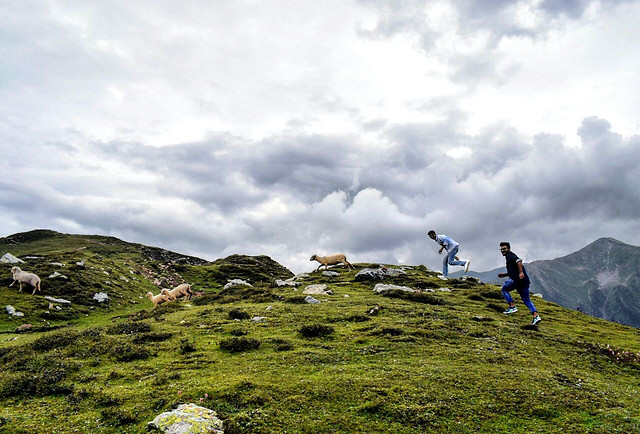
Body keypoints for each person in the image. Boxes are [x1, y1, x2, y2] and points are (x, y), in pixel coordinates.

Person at [497, 242, 542, 326]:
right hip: (524, 281)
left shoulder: (511, 256)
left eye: (504, 249)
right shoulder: (508, 257)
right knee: (526, 299)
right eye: (501, 249)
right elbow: (513, 271)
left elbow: (519, 261)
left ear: (509, 249)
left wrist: (521, 273)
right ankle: (536, 316)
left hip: (517, 280)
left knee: (504, 289)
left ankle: (512, 307)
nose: (503, 251)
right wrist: (504, 275)